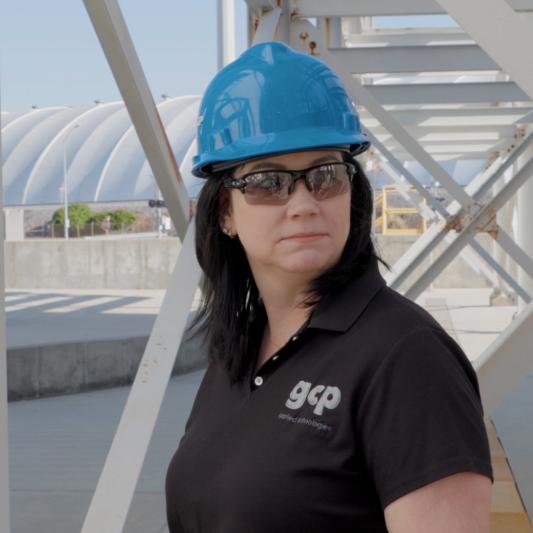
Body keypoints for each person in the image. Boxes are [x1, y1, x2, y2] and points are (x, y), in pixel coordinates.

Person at [165, 41, 493, 533]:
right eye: (266, 182)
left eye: (325, 175)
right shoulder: (239, 349)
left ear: (352, 195)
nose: (302, 203)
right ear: (224, 213)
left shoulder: (406, 358)